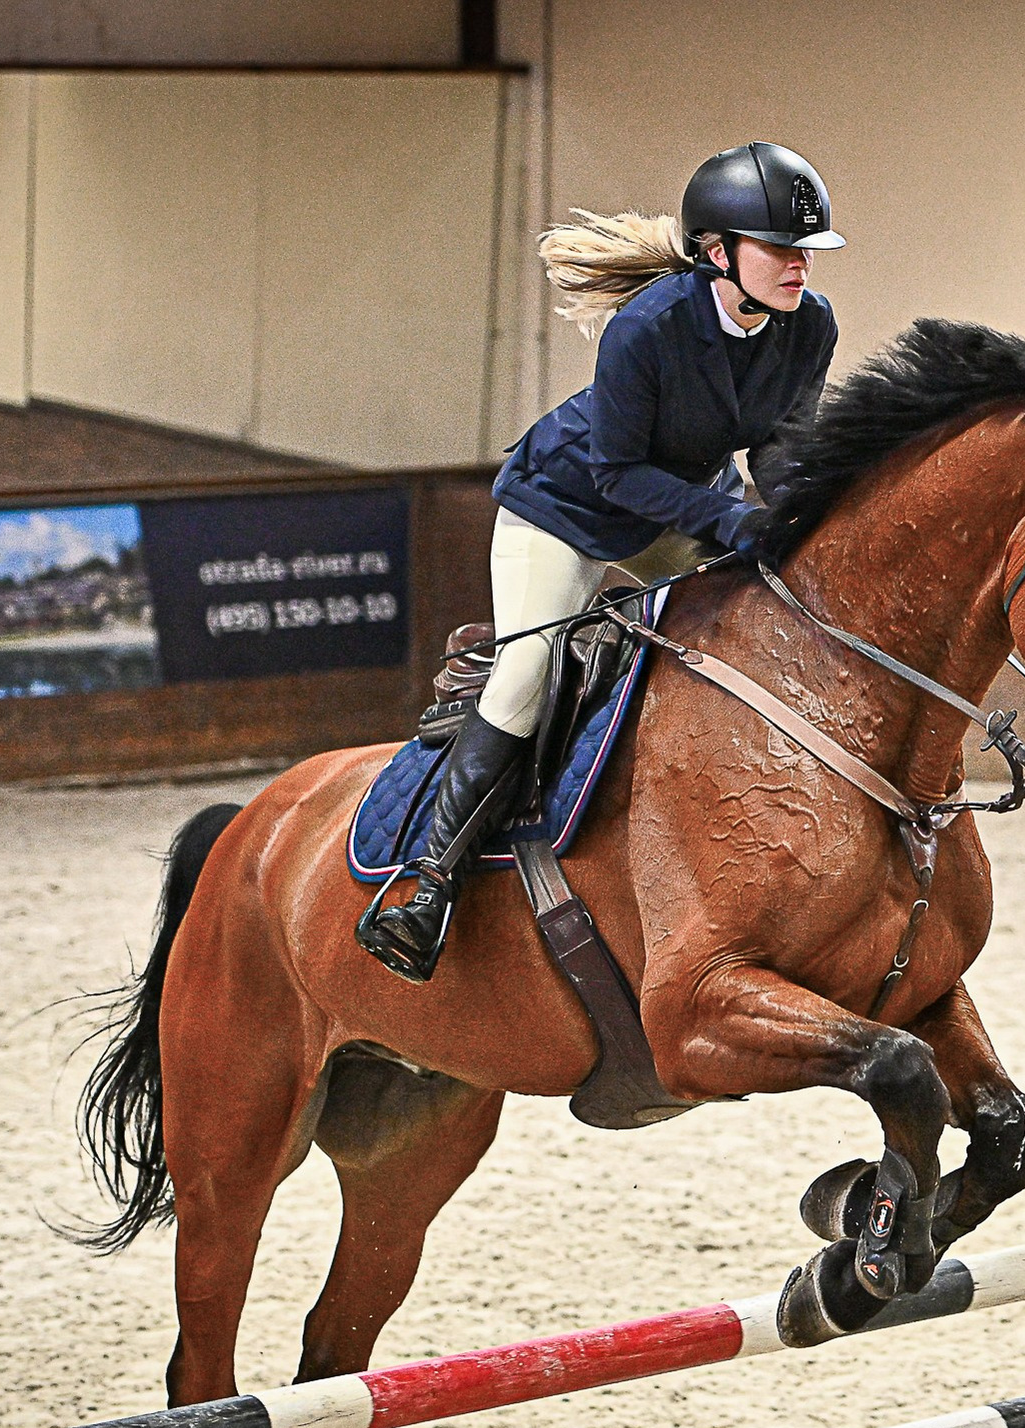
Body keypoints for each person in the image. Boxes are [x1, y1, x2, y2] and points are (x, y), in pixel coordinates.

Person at [358, 141, 843, 982]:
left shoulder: (811, 325)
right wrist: (731, 522)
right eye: (779, 248)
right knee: (526, 668)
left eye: (806, 249)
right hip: (566, 507)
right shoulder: (647, 328)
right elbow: (618, 471)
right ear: (718, 252)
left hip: (682, 502)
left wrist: (795, 519)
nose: (799, 265)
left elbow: (782, 444)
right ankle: (427, 885)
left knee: (765, 625)